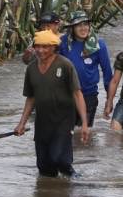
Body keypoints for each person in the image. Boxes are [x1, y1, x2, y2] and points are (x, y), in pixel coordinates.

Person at [14, 30, 90, 177]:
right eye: (38, 46)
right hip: (42, 121)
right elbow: (30, 98)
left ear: (54, 47)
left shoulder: (65, 65)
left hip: (64, 119)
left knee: (59, 158)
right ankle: (50, 195)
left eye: (45, 47)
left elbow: (77, 94)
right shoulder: (31, 69)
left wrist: (85, 124)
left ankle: (73, 179)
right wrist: (21, 123)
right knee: (43, 165)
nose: (40, 50)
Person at [60, 10, 113, 128]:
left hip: (89, 95)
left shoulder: (98, 44)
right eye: (79, 25)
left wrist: (109, 101)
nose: (83, 28)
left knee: (84, 133)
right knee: (67, 132)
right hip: (67, 95)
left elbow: (107, 74)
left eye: (86, 24)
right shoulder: (63, 42)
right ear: (72, 28)